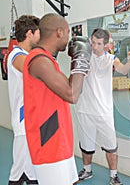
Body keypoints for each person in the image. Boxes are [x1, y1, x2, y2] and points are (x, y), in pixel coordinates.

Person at [23, 13, 92, 185]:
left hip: (58, 141)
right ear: (59, 32)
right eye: (68, 32)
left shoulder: (46, 60)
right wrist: (81, 59)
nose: (68, 38)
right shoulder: (39, 61)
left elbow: (70, 86)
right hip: (49, 143)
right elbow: (72, 94)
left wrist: (78, 65)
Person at [75, 28, 130, 185]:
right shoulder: (84, 57)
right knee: (86, 145)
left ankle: (114, 175)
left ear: (105, 45)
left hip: (104, 111)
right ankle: (87, 170)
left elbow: (123, 70)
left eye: (98, 43)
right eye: (92, 42)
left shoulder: (111, 59)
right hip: (85, 109)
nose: (94, 46)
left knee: (111, 146)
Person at [7, 15, 40, 185]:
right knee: (18, 173)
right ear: (29, 34)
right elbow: (32, 67)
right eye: (38, 33)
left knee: (33, 172)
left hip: (32, 120)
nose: (40, 36)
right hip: (23, 122)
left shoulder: (29, 54)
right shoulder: (16, 55)